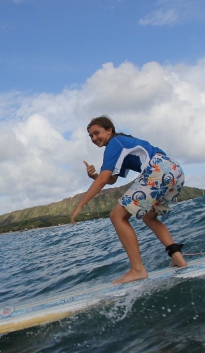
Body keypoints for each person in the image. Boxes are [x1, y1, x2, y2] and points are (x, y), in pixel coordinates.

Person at [71, 115, 187, 283]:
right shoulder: (122, 143)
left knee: (117, 216)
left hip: (158, 170)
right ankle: (177, 257)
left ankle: (137, 269)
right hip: (174, 170)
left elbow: (104, 180)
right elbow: (111, 178)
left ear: (109, 130)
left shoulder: (114, 143)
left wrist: (80, 205)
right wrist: (94, 175)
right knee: (149, 216)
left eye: (97, 133)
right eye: (91, 136)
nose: (94, 138)